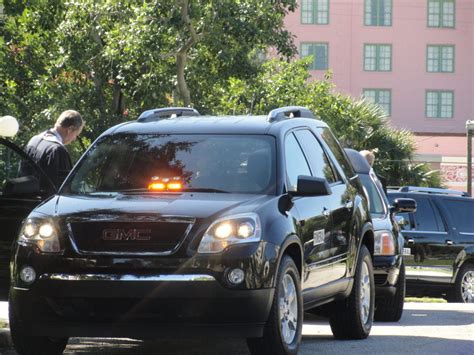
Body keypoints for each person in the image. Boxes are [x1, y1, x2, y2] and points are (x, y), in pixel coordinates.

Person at [24, 110, 84, 189]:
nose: (74, 139)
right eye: (76, 134)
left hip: (24, 197)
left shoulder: (33, 140)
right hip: (45, 200)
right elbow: (65, 189)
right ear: (70, 129)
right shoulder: (58, 151)